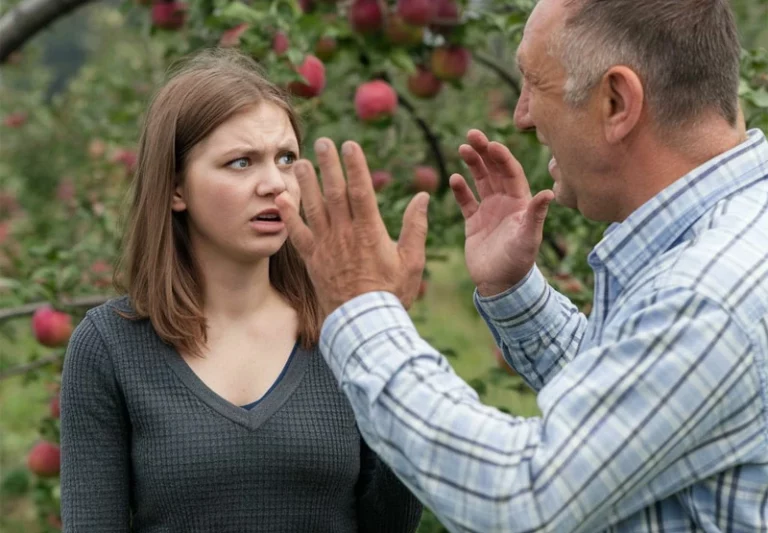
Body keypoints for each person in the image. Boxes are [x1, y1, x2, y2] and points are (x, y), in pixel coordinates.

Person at [273, 0, 768, 531]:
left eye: (536, 83)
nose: (522, 115)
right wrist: (516, 294)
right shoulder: (731, 243)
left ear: (617, 101)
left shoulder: (707, 296)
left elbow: (523, 498)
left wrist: (361, 307)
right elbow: (641, 410)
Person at [59, 48, 422, 532]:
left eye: (286, 158)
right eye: (240, 162)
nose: (275, 184)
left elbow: (391, 524)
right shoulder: (110, 346)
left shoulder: (345, 333)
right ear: (175, 189)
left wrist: (389, 344)